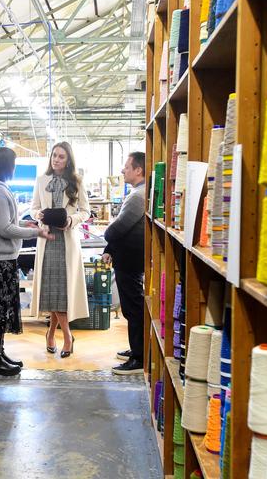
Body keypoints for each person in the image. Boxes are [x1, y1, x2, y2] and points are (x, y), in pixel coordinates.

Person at [0, 147, 53, 376]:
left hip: (1, 260)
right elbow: (4, 229)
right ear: (5, 166)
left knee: (0, 311)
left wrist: (25, 224)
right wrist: (35, 233)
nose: (14, 167)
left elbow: (8, 223)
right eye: (12, 163)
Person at [31, 141, 90, 358]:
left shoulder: (76, 182)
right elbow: (33, 208)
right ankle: (61, 336)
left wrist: (71, 220)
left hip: (66, 241)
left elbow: (85, 211)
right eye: (54, 155)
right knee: (52, 291)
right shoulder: (41, 180)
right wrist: (39, 216)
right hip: (48, 240)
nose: (56, 159)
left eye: (61, 156)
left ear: (68, 160)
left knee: (61, 293)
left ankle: (62, 336)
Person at [102, 151, 146, 374]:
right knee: (131, 306)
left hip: (130, 262)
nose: (123, 170)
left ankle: (139, 357)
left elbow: (117, 228)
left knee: (133, 307)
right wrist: (109, 249)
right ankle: (136, 348)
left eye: (127, 166)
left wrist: (106, 236)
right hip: (128, 259)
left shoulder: (138, 196)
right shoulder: (137, 193)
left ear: (138, 170)